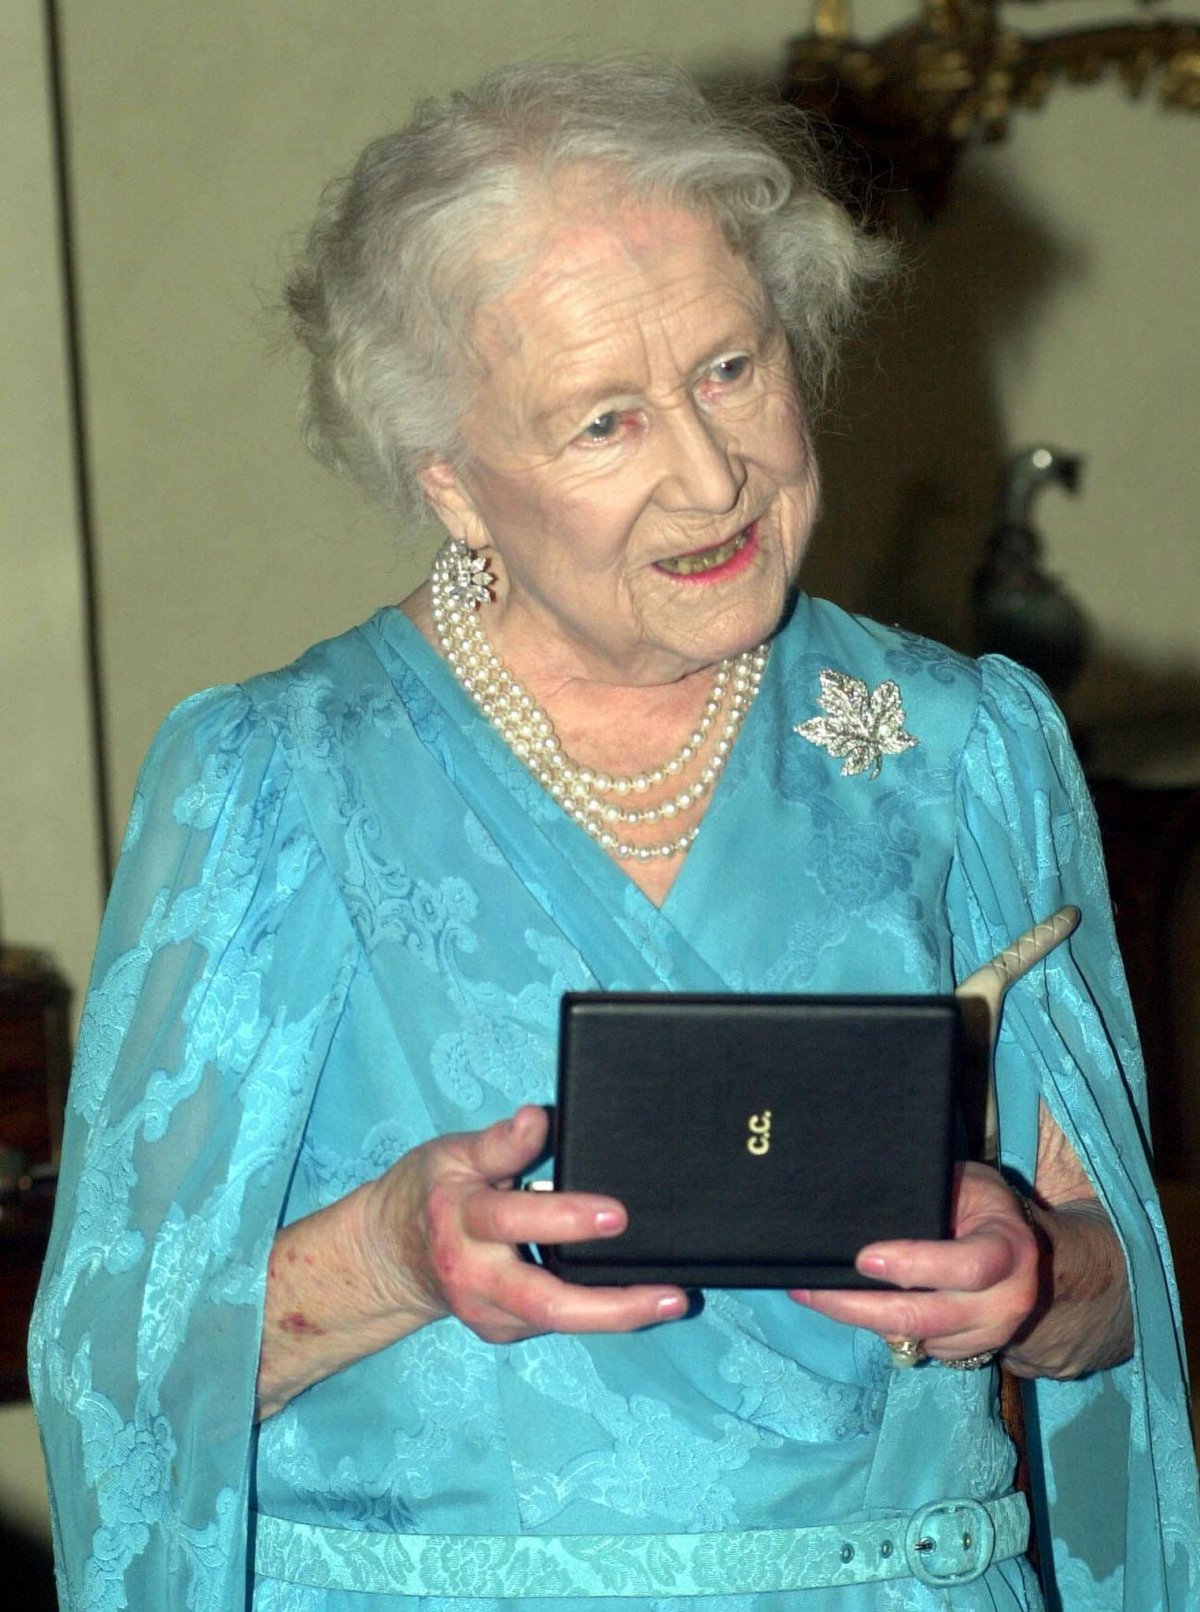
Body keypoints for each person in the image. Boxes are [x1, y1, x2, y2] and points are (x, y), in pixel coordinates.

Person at [30, 57, 1198, 1612]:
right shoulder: (275, 780)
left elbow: (1120, 1305)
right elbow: (116, 1371)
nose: (714, 476)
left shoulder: (966, 746)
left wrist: (1039, 1279)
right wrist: (389, 1252)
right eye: (604, 422)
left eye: (732, 367)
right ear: (452, 483)